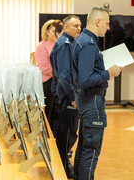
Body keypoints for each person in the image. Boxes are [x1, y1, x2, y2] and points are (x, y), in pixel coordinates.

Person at [71, 6, 123, 180]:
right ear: (98, 21)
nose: (108, 28)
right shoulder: (88, 44)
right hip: (92, 100)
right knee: (91, 150)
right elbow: (85, 80)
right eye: (107, 23)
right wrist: (109, 73)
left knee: (84, 146)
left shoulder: (82, 40)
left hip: (85, 99)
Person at [50, 15, 82, 178]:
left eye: (80, 25)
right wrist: (72, 97)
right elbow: (64, 75)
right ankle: (62, 165)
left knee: (67, 130)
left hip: (64, 91)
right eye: (75, 25)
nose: (78, 28)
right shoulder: (65, 44)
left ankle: (62, 162)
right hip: (66, 93)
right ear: (66, 28)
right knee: (67, 131)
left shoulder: (67, 42)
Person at [35, 19, 60, 125]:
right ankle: (48, 134)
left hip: (59, 80)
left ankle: (55, 135)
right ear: (47, 31)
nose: (56, 33)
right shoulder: (41, 46)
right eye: (54, 30)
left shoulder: (59, 43)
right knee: (49, 110)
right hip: (48, 81)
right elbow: (45, 67)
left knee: (58, 111)